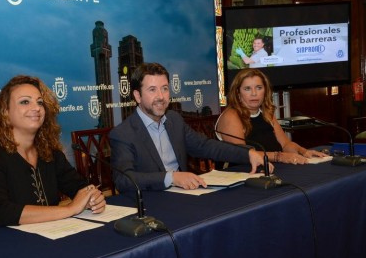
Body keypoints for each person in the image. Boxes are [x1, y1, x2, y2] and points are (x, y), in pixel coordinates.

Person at [109, 62, 271, 193]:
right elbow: (124, 180)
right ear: (137, 96)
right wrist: (171, 177)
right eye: (152, 90)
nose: (160, 96)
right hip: (151, 203)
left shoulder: (174, 120)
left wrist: (247, 153)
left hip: (186, 197)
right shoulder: (123, 134)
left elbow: (205, 146)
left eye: (165, 89)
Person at [0, 75, 105, 227]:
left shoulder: (50, 152)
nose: (36, 108)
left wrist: (92, 197)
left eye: (40, 102)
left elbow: (79, 187)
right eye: (25, 102)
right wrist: (70, 209)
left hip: (45, 235)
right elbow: (2, 212)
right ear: (5, 112)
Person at [216, 68, 327, 164]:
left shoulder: (266, 112)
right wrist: (280, 157)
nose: (254, 93)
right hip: (242, 174)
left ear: (265, 91)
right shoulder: (231, 116)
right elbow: (243, 154)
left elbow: (285, 145)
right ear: (238, 93)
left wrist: (304, 152)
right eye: (247, 89)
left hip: (273, 167)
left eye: (259, 88)